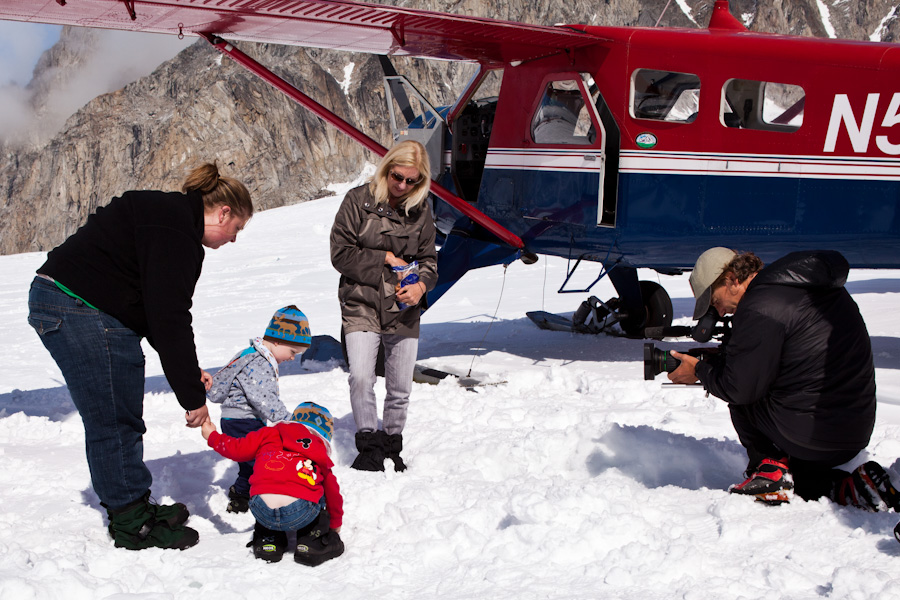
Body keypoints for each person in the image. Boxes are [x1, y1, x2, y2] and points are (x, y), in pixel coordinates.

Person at [27, 161, 254, 550]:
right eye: (236, 229)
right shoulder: (177, 233)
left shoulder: (168, 218)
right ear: (223, 212)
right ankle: (132, 522)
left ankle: (134, 504)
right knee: (114, 416)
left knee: (120, 408)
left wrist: (186, 370)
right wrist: (192, 399)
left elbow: (150, 307)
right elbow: (169, 318)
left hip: (77, 303)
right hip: (77, 306)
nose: (233, 239)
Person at [668, 248, 900, 510]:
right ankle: (850, 487)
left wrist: (699, 370)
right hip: (854, 429)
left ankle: (771, 473)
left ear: (732, 279)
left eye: (714, 300)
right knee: (798, 457)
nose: (719, 312)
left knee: (743, 400)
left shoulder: (760, 305)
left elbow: (739, 388)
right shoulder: (809, 285)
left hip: (814, 435)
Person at [329, 140, 437, 472]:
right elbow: (340, 253)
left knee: (400, 384)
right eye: (397, 177)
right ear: (386, 169)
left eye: (411, 181)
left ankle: (392, 443)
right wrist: (384, 258)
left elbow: (430, 260)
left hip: (403, 308)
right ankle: (368, 445)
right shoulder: (357, 202)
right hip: (361, 303)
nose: (403, 186)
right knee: (361, 376)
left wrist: (420, 286)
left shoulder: (421, 210)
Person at [201, 402, 345, 565]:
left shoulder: (268, 434)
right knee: (318, 491)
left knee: (269, 484)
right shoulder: (317, 450)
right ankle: (311, 542)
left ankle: (269, 541)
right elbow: (333, 492)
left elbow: (236, 448)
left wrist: (212, 436)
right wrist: (334, 524)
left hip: (261, 509)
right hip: (300, 512)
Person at [207, 305, 311, 513]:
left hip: (235, 420)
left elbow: (223, 386)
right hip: (243, 421)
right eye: (292, 352)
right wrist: (289, 422)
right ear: (278, 340)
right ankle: (267, 497)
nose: (292, 358)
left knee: (250, 462)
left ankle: (242, 493)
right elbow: (264, 399)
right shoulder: (259, 362)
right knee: (265, 462)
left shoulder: (249, 354)